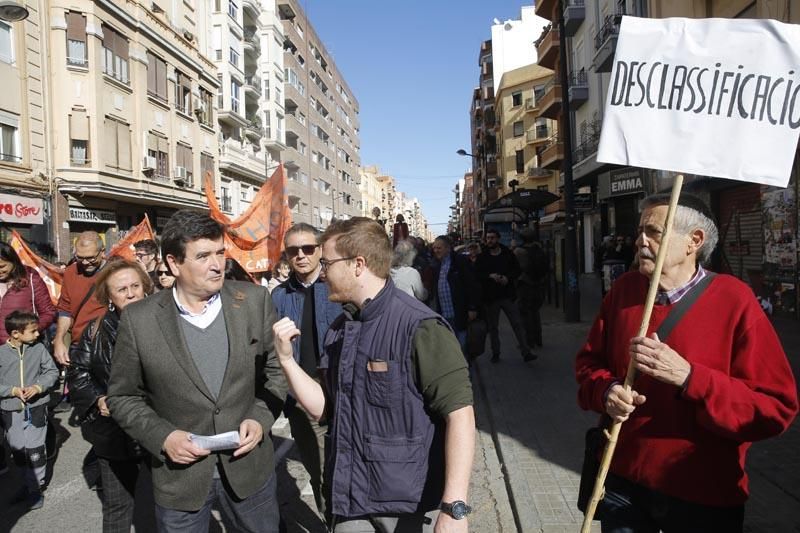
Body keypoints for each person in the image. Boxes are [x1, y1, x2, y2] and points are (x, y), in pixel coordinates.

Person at [575, 193, 798, 532]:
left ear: (694, 241)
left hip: (702, 492)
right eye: (640, 231)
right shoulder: (624, 290)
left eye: (654, 232)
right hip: (622, 480)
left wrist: (690, 378)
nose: (640, 241)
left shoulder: (734, 300)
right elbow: (589, 364)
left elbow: (775, 409)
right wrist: (607, 391)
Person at [273, 217, 476, 532]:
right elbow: (325, 409)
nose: (322, 272)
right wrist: (286, 360)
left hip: (406, 504)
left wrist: (453, 508)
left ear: (358, 264)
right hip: (352, 499)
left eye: (326, 263)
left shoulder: (420, 326)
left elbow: (460, 415)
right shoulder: (340, 330)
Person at [107, 210, 287, 532]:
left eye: (220, 252)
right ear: (174, 264)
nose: (217, 264)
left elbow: (277, 372)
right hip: (180, 480)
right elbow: (122, 397)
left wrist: (260, 420)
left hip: (249, 471)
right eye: (203, 256)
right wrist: (163, 437)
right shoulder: (139, 319)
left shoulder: (254, 301)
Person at [67, 260, 153, 532]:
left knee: (167, 504)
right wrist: (98, 399)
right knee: (117, 507)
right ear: (109, 297)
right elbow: (78, 372)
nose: (130, 293)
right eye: (122, 289)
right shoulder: (95, 330)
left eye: (135, 286)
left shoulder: (167, 322)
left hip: (157, 428)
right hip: (114, 433)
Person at [270, 223, 342, 522]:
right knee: (320, 470)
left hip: (340, 388)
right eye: (293, 251)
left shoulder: (338, 287)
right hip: (301, 394)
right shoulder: (279, 296)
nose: (300, 255)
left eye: (308, 249)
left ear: (320, 250)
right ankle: (333, 522)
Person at [0, 311, 59, 511]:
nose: (37, 334)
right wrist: (12, 391)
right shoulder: (1, 354)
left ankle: (36, 489)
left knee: (35, 451)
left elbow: (52, 372)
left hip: (36, 408)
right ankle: (27, 484)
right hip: (11, 410)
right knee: (18, 450)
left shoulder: (39, 348)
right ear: (15, 333)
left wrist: (38, 387)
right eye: (33, 331)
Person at [474, 228, 536, 363]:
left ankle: (526, 352)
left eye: (492, 238)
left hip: (507, 295)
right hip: (491, 298)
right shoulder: (483, 256)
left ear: (498, 238)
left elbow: (517, 270)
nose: (489, 240)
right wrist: (489, 276)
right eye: (488, 238)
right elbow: (477, 274)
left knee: (517, 323)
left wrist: (507, 278)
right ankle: (496, 353)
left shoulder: (507, 253)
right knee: (493, 327)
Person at [52, 231, 108, 367]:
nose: (85, 263)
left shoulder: (115, 271)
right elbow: (65, 309)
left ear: (102, 252)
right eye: (80, 257)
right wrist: (59, 339)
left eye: (91, 258)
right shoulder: (71, 272)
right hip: (79, 345)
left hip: (108, 344)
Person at [430, 235, 480, 350]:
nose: (436, 250)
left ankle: (466, 366)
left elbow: (472, 285)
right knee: (451, 348)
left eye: (439, 248)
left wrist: (472, 308)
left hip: (459, 313)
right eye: (434, 248)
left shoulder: (460, 261)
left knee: (462, 347)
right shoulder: (437, 264)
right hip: (445, 314)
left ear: (448, 248)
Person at [513, 229, 548, 349]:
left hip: (524, 284)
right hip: (538, 284)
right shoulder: (540, 249)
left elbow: (515, 267)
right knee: (535, 312)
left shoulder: (519, 251)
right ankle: (539, 339)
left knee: (524, 313)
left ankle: (528, 341)